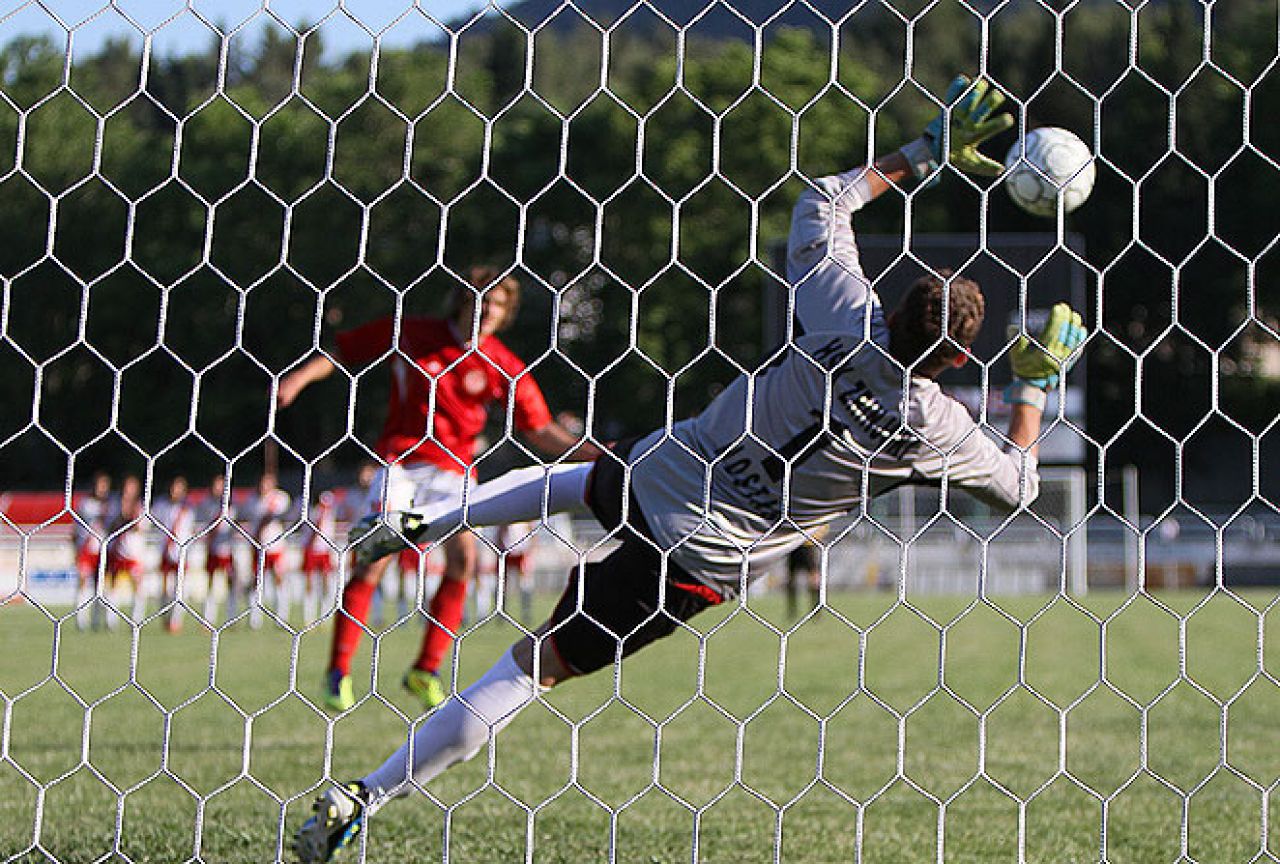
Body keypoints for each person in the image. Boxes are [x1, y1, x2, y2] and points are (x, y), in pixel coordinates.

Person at [294, 75, 1087, 863]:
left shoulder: (845, 311)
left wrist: (924, 152)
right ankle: (366, 793)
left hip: (672, 470)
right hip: (708, 554)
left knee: (582, 480)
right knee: (533, 666)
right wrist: (1031, 383)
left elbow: (825, 200)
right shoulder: (934, 427)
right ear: (954, 356)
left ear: (895, 306)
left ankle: (428, 520)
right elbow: (1019, 482)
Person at [277, 265, 602, 713]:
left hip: (454, 472)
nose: (488, 310)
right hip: (402, 463)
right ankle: (338, 671)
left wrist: (597, 455)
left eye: (498, 305)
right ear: (463, 300)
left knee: (464, 561)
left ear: (504, 314)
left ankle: (425, 669)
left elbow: (540, 429)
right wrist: (296, 379)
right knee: (373, 558)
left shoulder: (503, 364)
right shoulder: (412, 334)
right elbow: (342, 351)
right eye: (482, 299)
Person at [247, 472, 292, 628]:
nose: (263, 486)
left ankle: (281, 617)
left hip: (276, 546)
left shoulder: (280, 498)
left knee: (279, 580)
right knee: (256, 581)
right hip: (258, 546)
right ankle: (254, 618)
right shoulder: (252, 500)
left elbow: (283, 515)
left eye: (267, 483)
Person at [72, 471, 112, 631]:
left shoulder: (110, 504)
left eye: (104, 486)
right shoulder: (86, 504)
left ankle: (97, 620)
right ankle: (81, 620)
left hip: (102, 550)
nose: (101, 489)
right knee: (83, 583)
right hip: (86, 550)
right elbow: (77, 528)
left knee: (100, 586)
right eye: (99, 485)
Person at [155, 475, 195, 633]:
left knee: (179, 589)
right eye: (173, 487)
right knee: (164, 588)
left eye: (178, 488)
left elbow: (190, 530)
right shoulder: (160, 505)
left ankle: (175, 621)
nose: (175, 491)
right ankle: (165, 616)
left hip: (181, 552)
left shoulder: (188, 509)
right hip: (165, 551)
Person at [104, 474, 145, 627]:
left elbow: (139, 528)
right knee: (113, 583)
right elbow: (109, 526)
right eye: (127, 486)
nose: (129, 490)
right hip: (117, 550)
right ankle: (111, 620)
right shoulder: (114, 504)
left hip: (133, 552)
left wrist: (130, 516)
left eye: (132, 487)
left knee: (137, 584)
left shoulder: (140, 506)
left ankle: (136, 619)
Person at [200, 474, 240, 625]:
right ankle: (207, 617)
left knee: (231, 582)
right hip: (212, 549)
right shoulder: (207, 504)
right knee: (210, 582)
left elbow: (236, 526)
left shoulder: (232, 506)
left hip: (227, 550)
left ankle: (231, 616)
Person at [300, 490, 340, 626]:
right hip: (312, 551)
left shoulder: (329, 514)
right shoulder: (313, 512)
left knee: (325, 582)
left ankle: (324, 615)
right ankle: (309, 615)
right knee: (310, 583)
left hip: (324, 550)